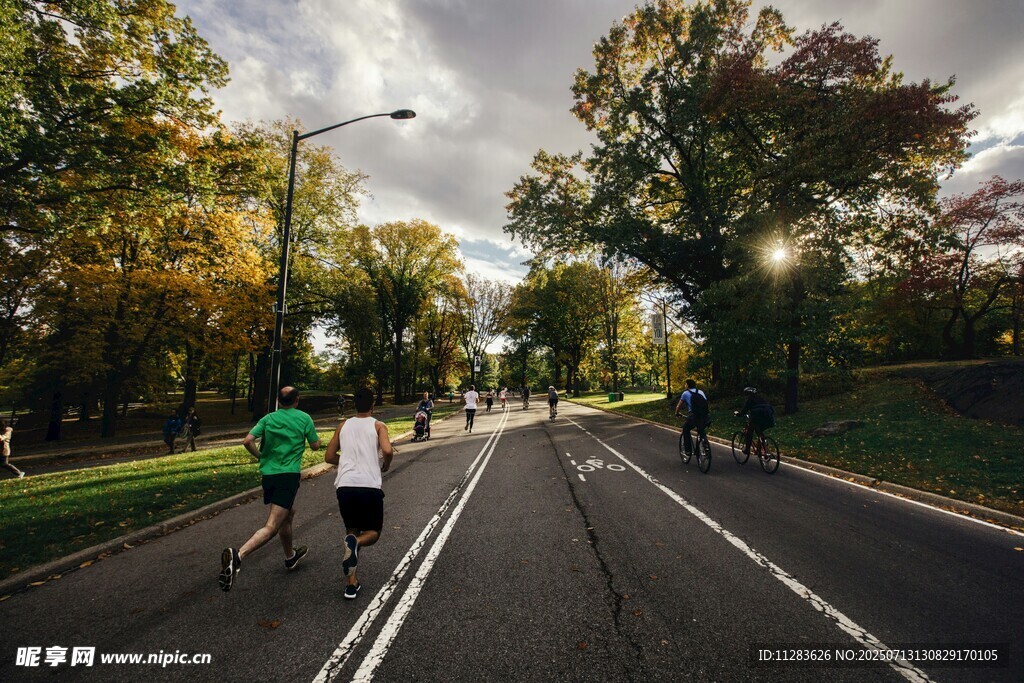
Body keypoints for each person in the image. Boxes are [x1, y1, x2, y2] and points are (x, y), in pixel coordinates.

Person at [219, 386, 322, 592]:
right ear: (297, 400)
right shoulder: (303, 418)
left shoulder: (268, 419)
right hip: (288, 476)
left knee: (288, 514)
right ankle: (239, 556)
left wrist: (260, 456)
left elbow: (248, 441)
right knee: (272, 525)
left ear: (278, 400)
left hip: (269, 475)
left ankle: (290, 557)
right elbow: (315, 446)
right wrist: (313, 440)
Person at [325, 387, 394, 599]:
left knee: (352, 530)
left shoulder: (343, 425)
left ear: (354, 404)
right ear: (373, 405)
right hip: (369, 485)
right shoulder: (378, 425)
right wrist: (386, 464)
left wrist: (345, 462)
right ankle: (357, 545)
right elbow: (388, 450)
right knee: (372, 533)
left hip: (345, 485)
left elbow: (328, 456)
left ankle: (351, 584)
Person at [674, 379, 710, 459]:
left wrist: (676, 413)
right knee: (701, 429)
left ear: (687, 385)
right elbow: (705, 404)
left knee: (686, 429)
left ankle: (688, 451)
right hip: (704, 416)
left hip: (694, 416)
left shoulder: (685, 393)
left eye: (685, 384)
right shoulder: (701, 392)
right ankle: (705, 445)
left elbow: (678, 406)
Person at [738, 387, 775, 455]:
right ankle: (760, 449)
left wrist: (739, 414)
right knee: (760, 433)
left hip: (757, 418)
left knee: (749, 432)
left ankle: (747, 449)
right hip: (768, 418)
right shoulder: (761, 398)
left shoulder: (750, 400)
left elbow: (744, 410)